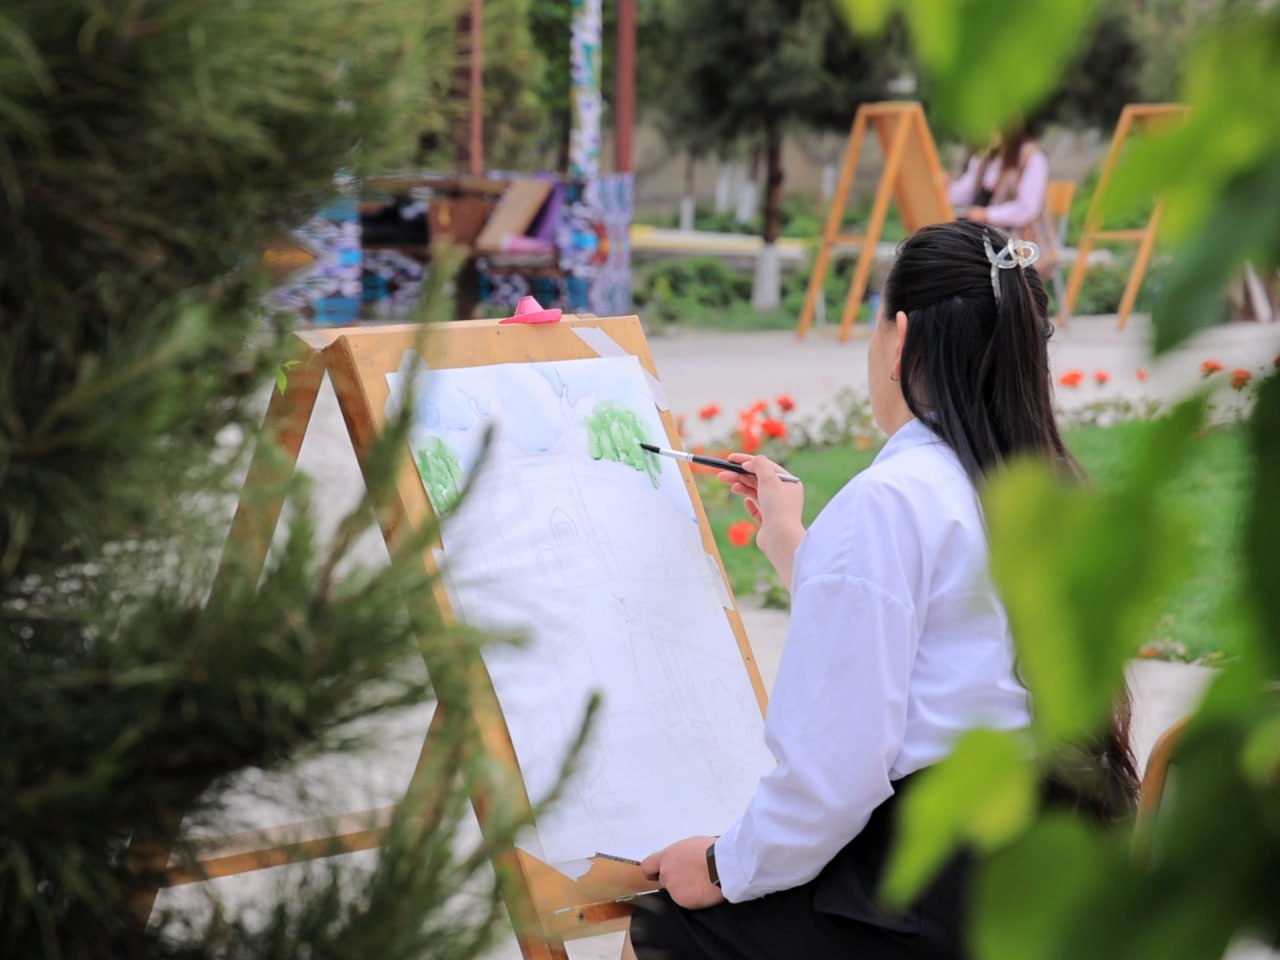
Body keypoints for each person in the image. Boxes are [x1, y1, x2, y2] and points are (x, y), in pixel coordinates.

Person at [628, 220, 1139, 960]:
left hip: (941, 890)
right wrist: (793, 543)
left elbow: (833, 775)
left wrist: (718, 865)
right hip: (1057, 857)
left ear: (898, 339)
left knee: (666, 927)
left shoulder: (889, 500)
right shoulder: (1040, 489)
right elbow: (937, 638)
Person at [948, 123, 1053, 254]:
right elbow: (965, 191)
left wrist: (986, 214)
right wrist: (942, 187)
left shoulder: (1032, 158)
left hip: (1018, 243)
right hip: (982, 236)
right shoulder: (987, 156)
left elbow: (1026, 209)